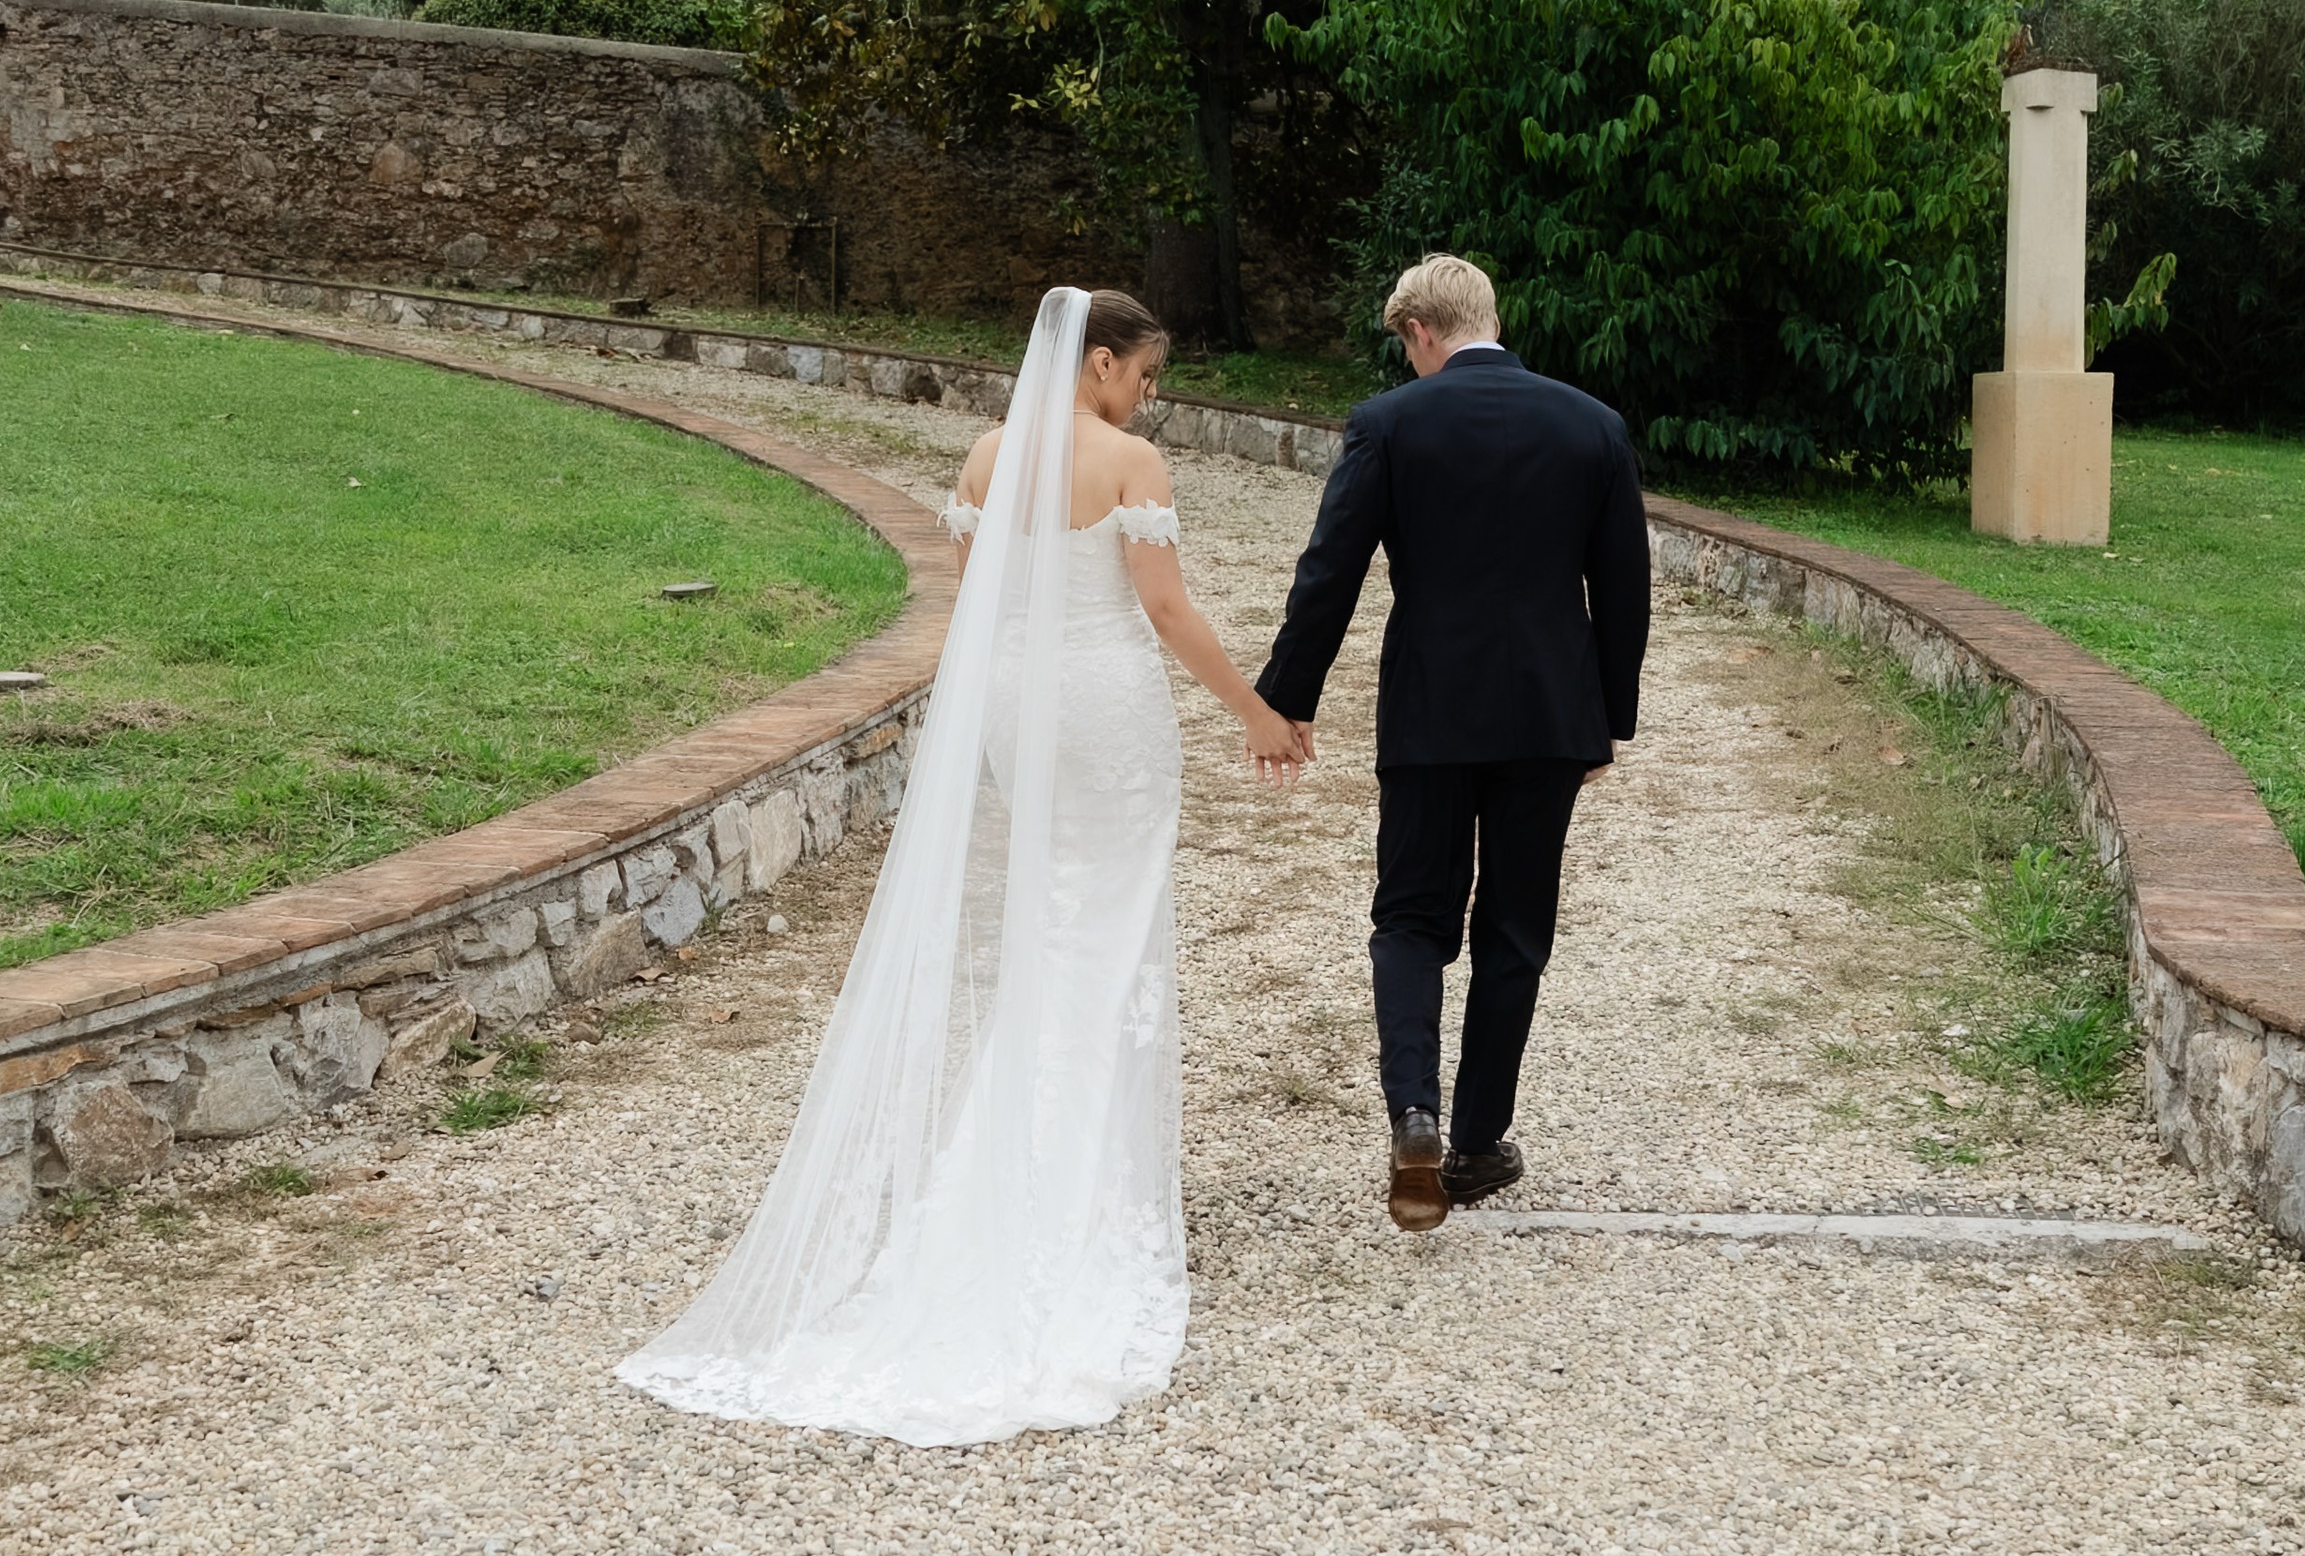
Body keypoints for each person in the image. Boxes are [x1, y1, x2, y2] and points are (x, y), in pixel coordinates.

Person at [617, 286, 1304, 1445]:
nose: (1149, 396)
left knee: (1047, 918)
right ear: (1095, 364)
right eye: (1142, 374)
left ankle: (1012, 1161)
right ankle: (1078, 1178)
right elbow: (1167, 608)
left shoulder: (986, 453)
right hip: (1102, 704)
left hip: (1009, 701)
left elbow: (977, 596)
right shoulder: (1129, 463)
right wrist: (1255, 708)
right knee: (1109, 925)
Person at [1256, 253, 1650, 1232]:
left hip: (1430, 712)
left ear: (1422, 332)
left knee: (1410, 920)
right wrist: (1608, 716)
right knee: (1513, 931)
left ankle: (1413, 1114)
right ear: (1487, 319)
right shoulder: (1592, 427)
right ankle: (1474, 1145)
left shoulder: (1388, 424)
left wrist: (1286, 698)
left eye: (1406, 344)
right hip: (1551, 718)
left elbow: (1329, 572)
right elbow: (1624, 590)